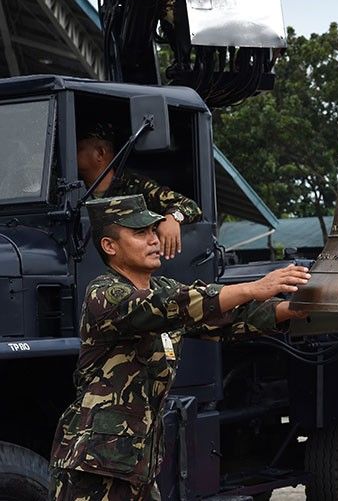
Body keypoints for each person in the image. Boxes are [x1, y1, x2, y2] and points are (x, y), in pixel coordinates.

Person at [49, 194, 310, 500]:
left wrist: (291, 310)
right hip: (94, 466)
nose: (154, 240)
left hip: (138, 462)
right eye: (140, 234)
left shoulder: (162, 288)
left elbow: (224, 319)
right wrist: (253, 288)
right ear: (110, 246)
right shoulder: (105, 293)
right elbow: (174, 306)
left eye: (152, 231)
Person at [76, 122, 202, 259]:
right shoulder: (70, 189)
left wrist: (173, 218)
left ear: (100, 153)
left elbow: (190, 205)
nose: (70, 154)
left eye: (78, 148)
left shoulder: (135, 186)